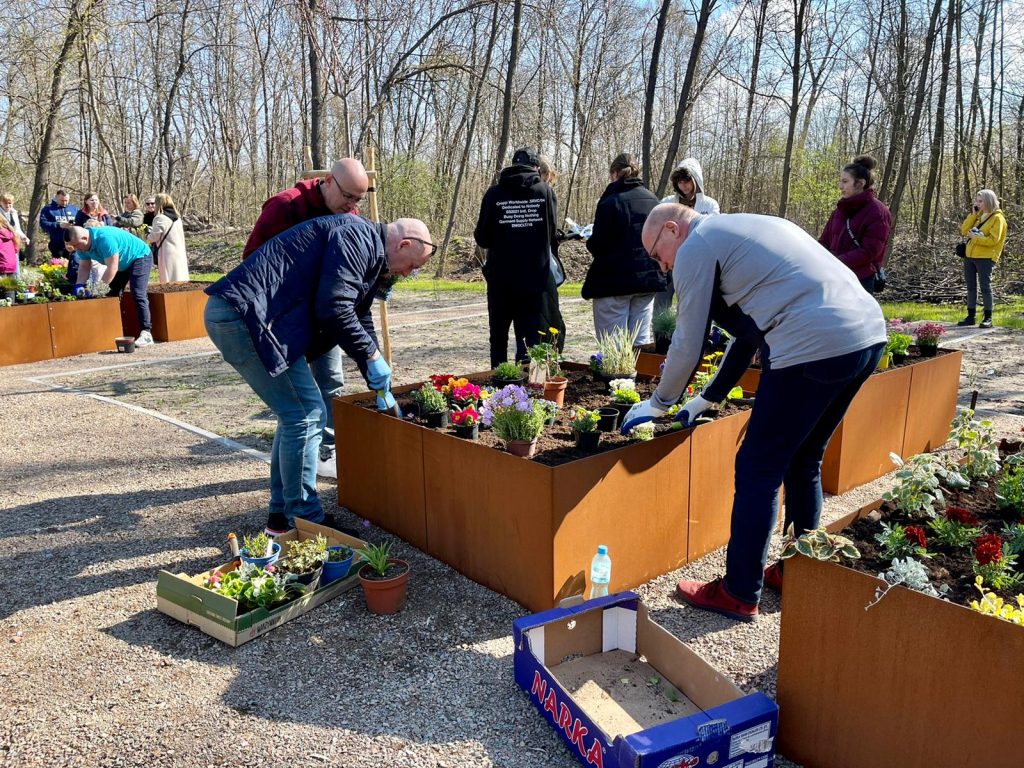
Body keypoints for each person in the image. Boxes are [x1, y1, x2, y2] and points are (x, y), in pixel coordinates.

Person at [622, 203, 886, 622]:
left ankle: (739, 591)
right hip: (867, 336)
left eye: (658, 255)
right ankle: (797, 568)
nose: (664, 267)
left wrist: (659, 403)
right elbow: (747, 337)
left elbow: (688, 341)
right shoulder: (745, 229)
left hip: (812, 344)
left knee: (757, 467)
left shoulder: (697, 246)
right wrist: (705, 399)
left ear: (672, 229)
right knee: (804, 458)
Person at [204, 215, 433, 535]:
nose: (409, 274)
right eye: (411, 266)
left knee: (295, 414)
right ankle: (304, 519)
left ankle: (281, 517)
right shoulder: (357, 239)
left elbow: (357, 312)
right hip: (244, 318)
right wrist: (370, 355)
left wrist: (375, 371)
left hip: (252, 320)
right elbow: (334, 307)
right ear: (403, 245)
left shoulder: (366, 250)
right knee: (307, 413)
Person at [242, 158, 370, 480]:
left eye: (359, 199)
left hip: (324, 318)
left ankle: (325, 451)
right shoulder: (285, 207)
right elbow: (252, 261)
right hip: (284, 321)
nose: (352, 205)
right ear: (328, 181)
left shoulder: (349, 217)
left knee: (331, 381)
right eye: (348, 196)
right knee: (298, 406)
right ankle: (291, 475)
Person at [475, 147, 559, 368]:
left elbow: (482, 238)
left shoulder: (494, 194)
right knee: (531, 336)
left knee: (499, 336)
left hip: (501, 278)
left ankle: (498, 385)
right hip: (534, 278)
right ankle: (526, 391)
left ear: (512, 165)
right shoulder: (545, 192)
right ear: (536, 167)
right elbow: (552, 233)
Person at [583, 153, 665, 346]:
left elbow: (599, 244)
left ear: (615, 173)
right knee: (640, 342)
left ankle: (614, 377)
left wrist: (588, 242)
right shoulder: (653, 200)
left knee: (613, 346)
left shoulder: (610, 201)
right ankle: (638, 376)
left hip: (614, 281)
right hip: (647, 279)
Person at [63, 225, 154, 347]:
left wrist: (97, 290)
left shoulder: (105, 239)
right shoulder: (82, 246)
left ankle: (146, 334)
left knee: (137, 292)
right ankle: (113, 329)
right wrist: (79, 285)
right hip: (122, 263)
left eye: (76, 245)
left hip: (139, 256)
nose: (75, 248)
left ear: (85, 238)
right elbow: (84, 266)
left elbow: (112, 267)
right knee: (111, 293)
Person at [818, 154, 892, 294]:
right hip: (834, 278)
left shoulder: (878, 212)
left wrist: (836, 262)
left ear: (860, 183)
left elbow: (869, 251)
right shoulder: (839, 211)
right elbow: (824, 242)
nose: (840, 186)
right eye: (841, 181)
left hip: (860, 281)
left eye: (845, 181)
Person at [654, 158, 719, 314]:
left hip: (695, 263)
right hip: (670, 262)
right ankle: (662, 337)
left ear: (696, 180)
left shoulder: (709, 205)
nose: (683, 185)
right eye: (679, 181)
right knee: (660, 307)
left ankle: (687, 337)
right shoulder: (666, 203)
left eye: (687, 180)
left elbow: (712, 232)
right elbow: (658, 230)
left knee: (690, 307)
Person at [957, 189, 1007, 329]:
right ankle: (970, 316)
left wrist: (976, 238)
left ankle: (988, 317)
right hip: (970, 255)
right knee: (971, 287)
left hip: (986, 257)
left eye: (980, 201)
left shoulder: (998, 218)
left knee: (985, 287)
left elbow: (993, 240)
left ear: (989, 201)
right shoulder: (978, 216)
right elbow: (964, 229)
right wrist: (973, 215)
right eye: (977, 201)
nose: (977, 204)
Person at [537, 156, 566, 354]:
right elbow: (550, 228)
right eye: (547, 177)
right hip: (542, 263)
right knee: (547, 314)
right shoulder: (546, 194)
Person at [148, 193, 190, 284]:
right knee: (180, 280)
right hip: (179, 251)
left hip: (167, 252)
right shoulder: (178, 218)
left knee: (169, 282)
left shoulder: (160, 218)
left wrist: (146, 235)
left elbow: (154, 237)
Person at [39, 190, 79, 272]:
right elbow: (43, 224)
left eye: (66, 200)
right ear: (56, 197)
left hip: (73, 244)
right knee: (58, 268)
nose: (64, 203)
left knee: (73, 267)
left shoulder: (74, 209)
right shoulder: (48, 209)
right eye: (62, 200)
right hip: (57, 244)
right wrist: (58, 225)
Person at [0, 194, 28, 276]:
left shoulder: (13, 213)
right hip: (4, 241)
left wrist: (24, 237)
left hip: (14, 241)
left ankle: (16, 283)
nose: (8, 205)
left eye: (10, 203)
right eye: (5, 203)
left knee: (14, 264)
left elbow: (17, 229)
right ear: (0, 203)